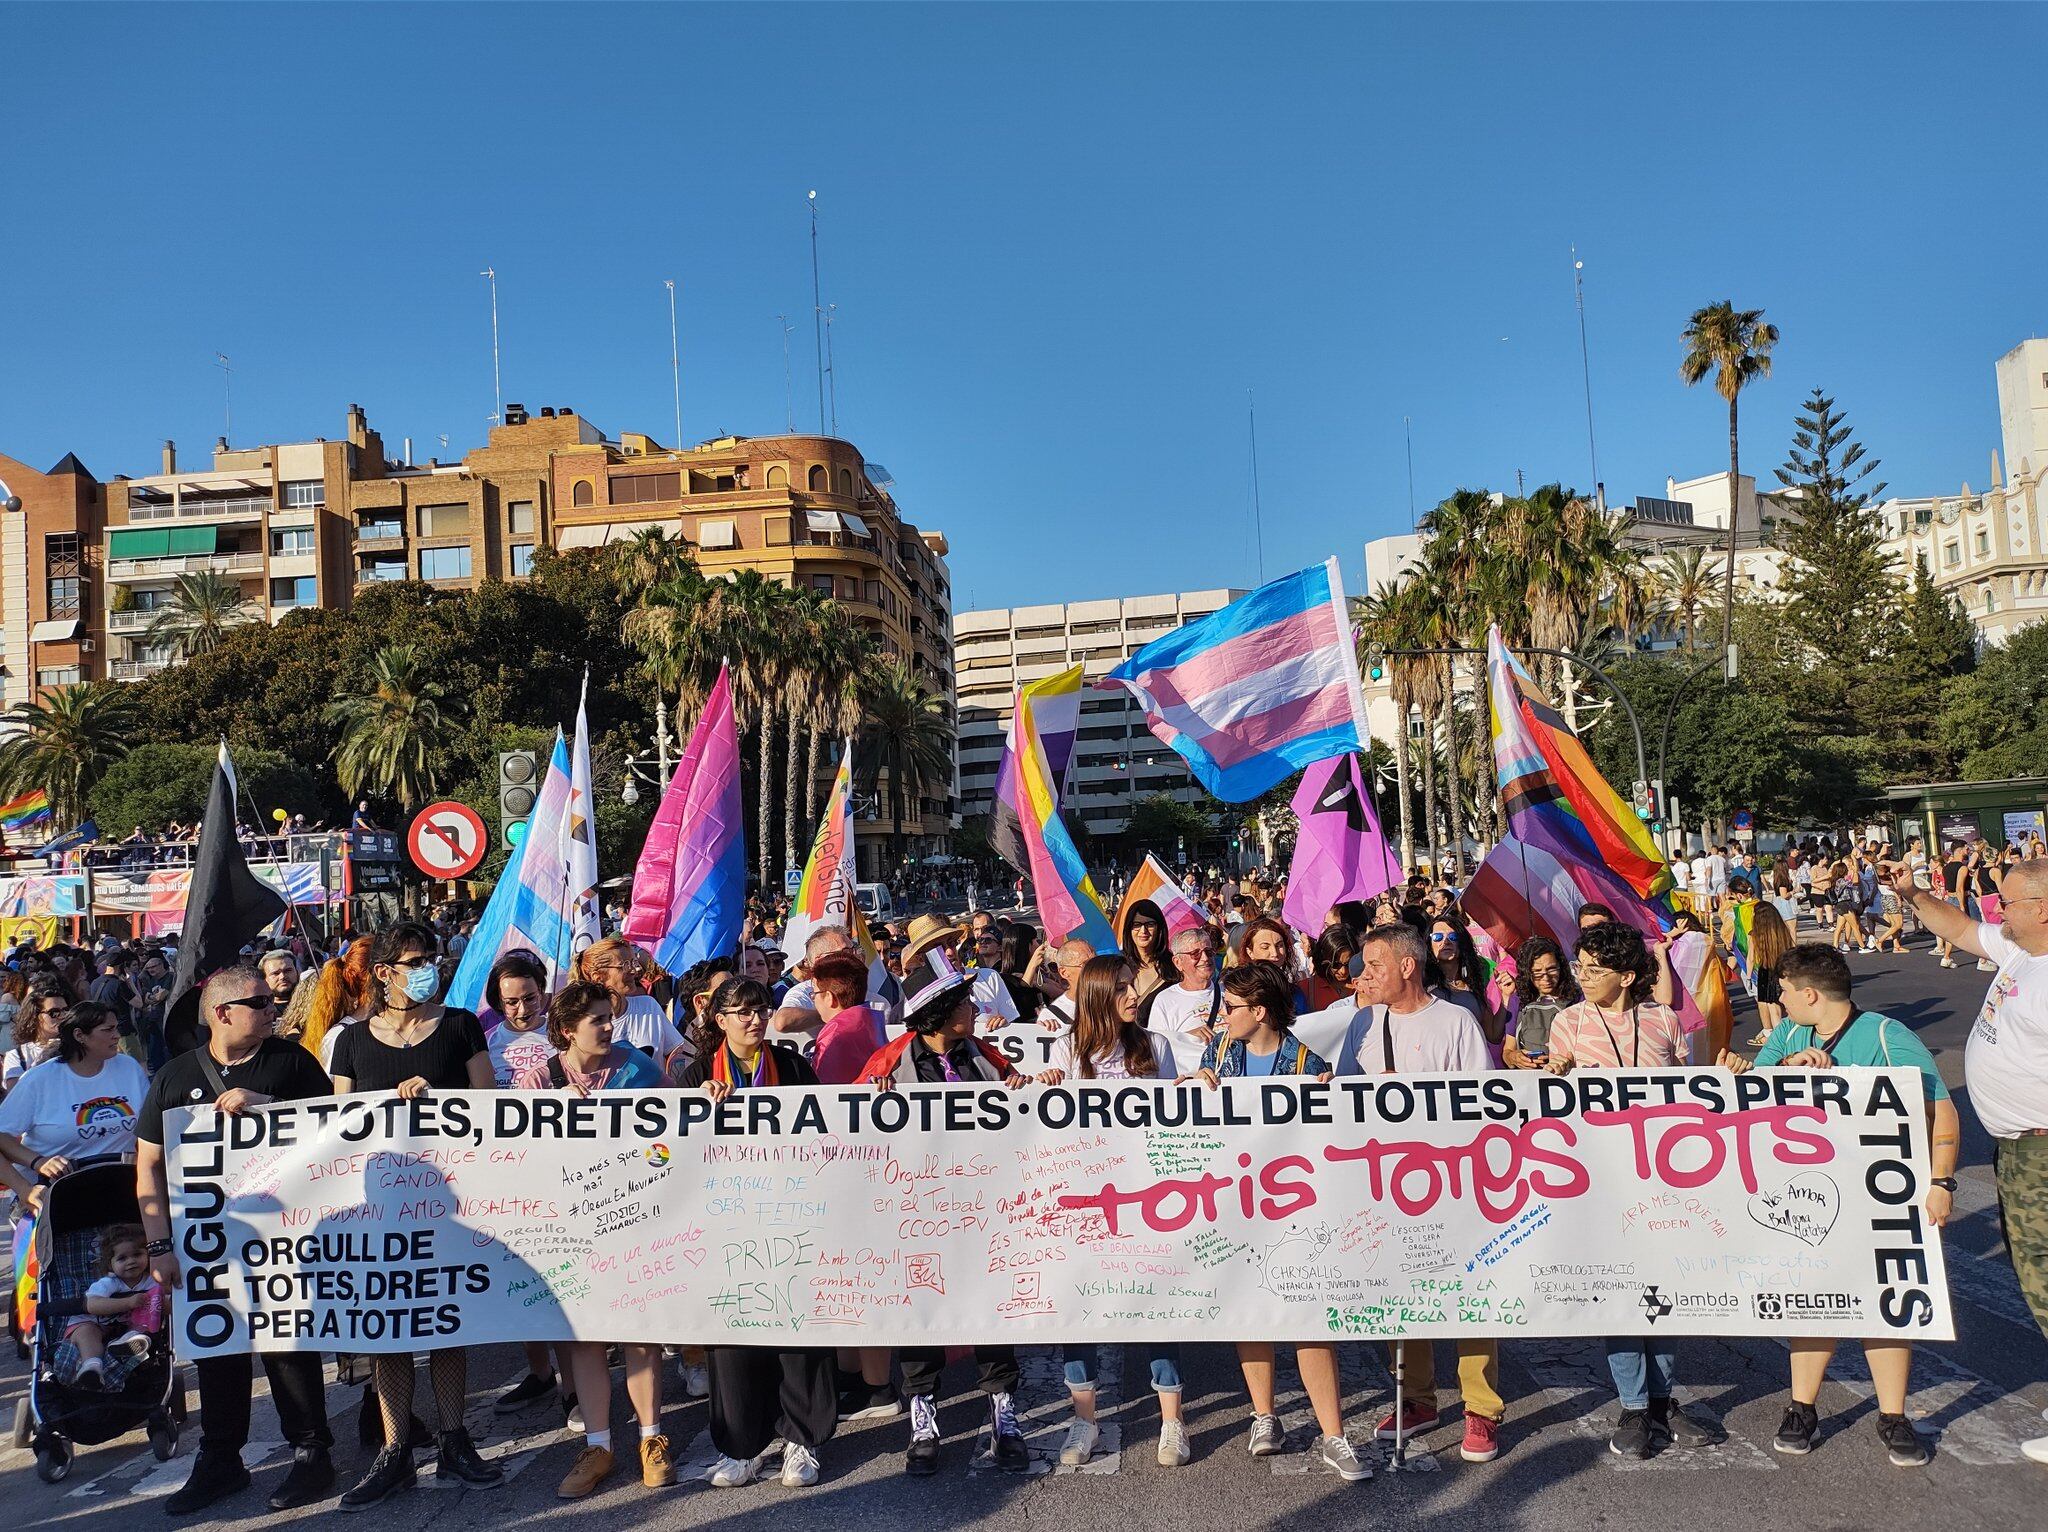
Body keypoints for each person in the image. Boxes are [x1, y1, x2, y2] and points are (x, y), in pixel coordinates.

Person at [1717, 942, 1957, 1467]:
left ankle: (1892, 1416)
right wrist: (1782, 1064)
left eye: (1783, 992)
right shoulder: (1789, 1033)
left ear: (1808, 994)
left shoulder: (1888, 1036)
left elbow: (1939, 1107)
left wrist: (1941, 1181)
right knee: (1812, 1297)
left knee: (1887, 1303)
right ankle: (1802, 1407)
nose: (1777, 1000)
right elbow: (1752, 1090)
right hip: (1807, 1195)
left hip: (1879, 1195)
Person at [135, 965, 337, 1513]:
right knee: (217, 1348)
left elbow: (336, 1137)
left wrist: (270, 1109)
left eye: (273, 1002)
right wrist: (160, 1247)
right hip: (209, 1245)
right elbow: (149, 1164)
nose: (275, 1009)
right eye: (262, 1003)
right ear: (222, 1013)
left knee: (287, 1343)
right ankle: (221, 1459)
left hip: (284, 1238)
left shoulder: (292, 1063)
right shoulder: (175, 1077)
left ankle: (311, 1453)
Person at [1879, 859, 2048, 1465]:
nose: (1996, 911)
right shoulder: (2022, 952)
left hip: (2042, 1149)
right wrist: (1910, 893)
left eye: (2008, 902)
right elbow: (1959, 930)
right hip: (2020, 1149)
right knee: (2034, 1276)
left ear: (2043, 908)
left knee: (2045, 1279)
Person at [328, 921, 502, 1508]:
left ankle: (455, 1439)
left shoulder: (459, 1026)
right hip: (381, 1210)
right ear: (384, 974)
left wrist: (442, 1098)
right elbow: (337, 1125)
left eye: (431, 956)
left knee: (448, 1324)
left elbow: (489, 1106)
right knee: (390, 1333)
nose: (429, 966)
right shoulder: (350, 1041)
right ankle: (395, 1450)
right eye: (415, 959)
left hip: (451, 1203)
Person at [1183, 963, 1366, 1479]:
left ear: (1259, 1012)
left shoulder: (1308, 1064)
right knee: (1251, 1313)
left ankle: (1334, 1434)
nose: (1223, 1017)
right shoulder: (1218, 1055)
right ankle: (1265, 1416)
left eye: (1232, 1008)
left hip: (1295, 1210)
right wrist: (1195, 1085)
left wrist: (1331, 1098)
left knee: (1309, 1318)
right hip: (1236, 1203)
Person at [1545, 922, 1717, 1458]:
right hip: (1601, 1182)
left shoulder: (1663, 1019)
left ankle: (1664, 1400)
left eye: (1594, 969)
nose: (1583, 977)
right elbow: (1552, 1110)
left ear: (1625, 975)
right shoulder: (1568, 1022)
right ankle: (1634, 1404)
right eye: (1580, 967)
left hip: (1664, 1182)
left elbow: (1691, 1096)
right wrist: (1558, 1075)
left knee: (1662, 1290)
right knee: (1621, 1295)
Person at [856, 950, 1029, 1476]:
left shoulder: (983, 1055)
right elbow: (853, 1140)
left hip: (982, 1213)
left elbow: (1017, 1108)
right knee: (920, 1314)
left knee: (991, 1311)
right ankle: (922, 1418)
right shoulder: (888, 1063)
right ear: (937, 1010)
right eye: (964, 1001)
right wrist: (870, 1100)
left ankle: (1004, 1414)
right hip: (916, 1216)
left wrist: (1021, 1088)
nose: (975, 1008)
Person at [1336, 924, 1503, 1462]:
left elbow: (1483, 1104)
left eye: (1374, 965)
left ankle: (1481, 1408)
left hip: (1452, 1183)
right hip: (1384, 1184)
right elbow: (1337, 1099)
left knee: (1471, 1297)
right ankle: (1417, 1397)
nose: (1363, 976)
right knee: (1399, 1291)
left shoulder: (1457, 1021)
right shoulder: (1362, 1024)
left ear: (1407, 966)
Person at [679, 975, 835, 1489]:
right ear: (718, 1020)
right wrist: (698, 1106)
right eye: (741, 1010)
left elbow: (826, 1134)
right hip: (727, 1223)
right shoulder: (698, 1074)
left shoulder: (791, 1066)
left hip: (790, 1216)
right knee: (733, 1338)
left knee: (797, 1330)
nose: (754, 1018)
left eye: (761, 1008)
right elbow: (673, 1151)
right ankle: (742, 1446)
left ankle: (802, 1440)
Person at [516, 980, 670, 1498]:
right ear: (565, 1032)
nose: (609, 1027)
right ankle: (600, 1446)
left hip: (635, 1222)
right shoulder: (538, 1081)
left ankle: (652, 1438)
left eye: (610, 1017)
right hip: (572, 1230)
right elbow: (515, 1155)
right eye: (597, 1020)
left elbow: (679, 1141)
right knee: (586, 1337)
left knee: (640, 1334)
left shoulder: (643, 1071)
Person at [0, 1001, 151, 1211]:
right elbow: (2, 1135)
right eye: (108, 1030)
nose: (117, 1035)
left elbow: (150, 1128)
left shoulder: (129, 1068)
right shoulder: (40, 1079)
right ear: (80, 1035)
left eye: (116, 1028)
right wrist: (37, 1164)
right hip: (55, 1194)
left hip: (120, 1188)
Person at [62, 1223, 162, 1390]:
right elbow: (92, 1305)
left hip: (123, 1328)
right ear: (110, 1264)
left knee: (145, 1328)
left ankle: (125, 1345)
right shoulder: (108, 1283)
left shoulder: (152, 1282)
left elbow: (163, 1304)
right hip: (93, 1323)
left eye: (137, 1254)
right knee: (87, 1332)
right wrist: (128, 1302)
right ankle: (92, 1367)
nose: (131, 1261)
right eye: (122, 1258)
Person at [576, 937, 683, 1058]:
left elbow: (677, 1052)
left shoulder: (648, 1006)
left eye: (633, 962)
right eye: (625, 965)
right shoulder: (584, 1023)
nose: (635, 970)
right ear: (598, 977)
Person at [1140, 927, 1223, 1073]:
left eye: (1209, 952)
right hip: (1192, 1082)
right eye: (1195, 954)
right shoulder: (1165, 1000)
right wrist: (1187, 1037)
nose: (1205, 958)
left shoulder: (1229, 992)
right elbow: (1155, 1047)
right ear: (1178, 962)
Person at [1502, 934, 1577, 1070]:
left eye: (1551, 969)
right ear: (1526, 973)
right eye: (1537, 972)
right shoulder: (1518, 999)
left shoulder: (1577, 998)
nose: (1546, 978)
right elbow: (1507, 1050)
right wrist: (1515, 1058)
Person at [1743, 900, 1795, 1049]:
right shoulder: (1782, 930)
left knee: (1773, 1009)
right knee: (1785, 1005)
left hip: (1766, 972)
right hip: (1783, 970)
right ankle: (1787, 1034)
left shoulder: (1754, 934)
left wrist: (1748, 977)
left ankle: (1778, 1039)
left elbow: (1751, 958)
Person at [2, 982, 69, 1095]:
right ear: (34, 1016)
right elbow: (17, 1098)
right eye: (54, 1013)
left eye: (65, 1010)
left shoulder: (77, 1047)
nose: (63, 1016)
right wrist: (45, 1058)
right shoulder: (18, 1056)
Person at [1120, 900, 1175, 999]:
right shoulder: (1117, 965)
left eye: (1149, 924)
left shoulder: (1174, 968)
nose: (1143, 931)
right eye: (1136, 925)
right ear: (1129, 929)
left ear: (1159, 929)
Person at [1036, 938, 1096, 1029]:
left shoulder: (1112, 1000)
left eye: (1095, 962)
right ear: (1064, 972)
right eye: (1086, 964)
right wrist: (1042, 1030)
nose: (1095, 968)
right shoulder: (1051, 1016)